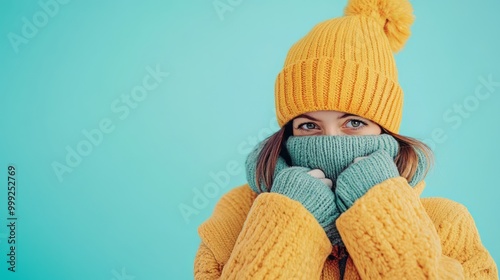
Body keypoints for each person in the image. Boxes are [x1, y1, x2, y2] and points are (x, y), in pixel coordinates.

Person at [193, 0, 499, 278]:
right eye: (309, 126)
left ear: (384, 129)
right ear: (288, 133)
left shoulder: (445, 223)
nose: (331, 140)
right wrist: (286, 218)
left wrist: (384, 213)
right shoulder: (236, 217)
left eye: (354, 122)